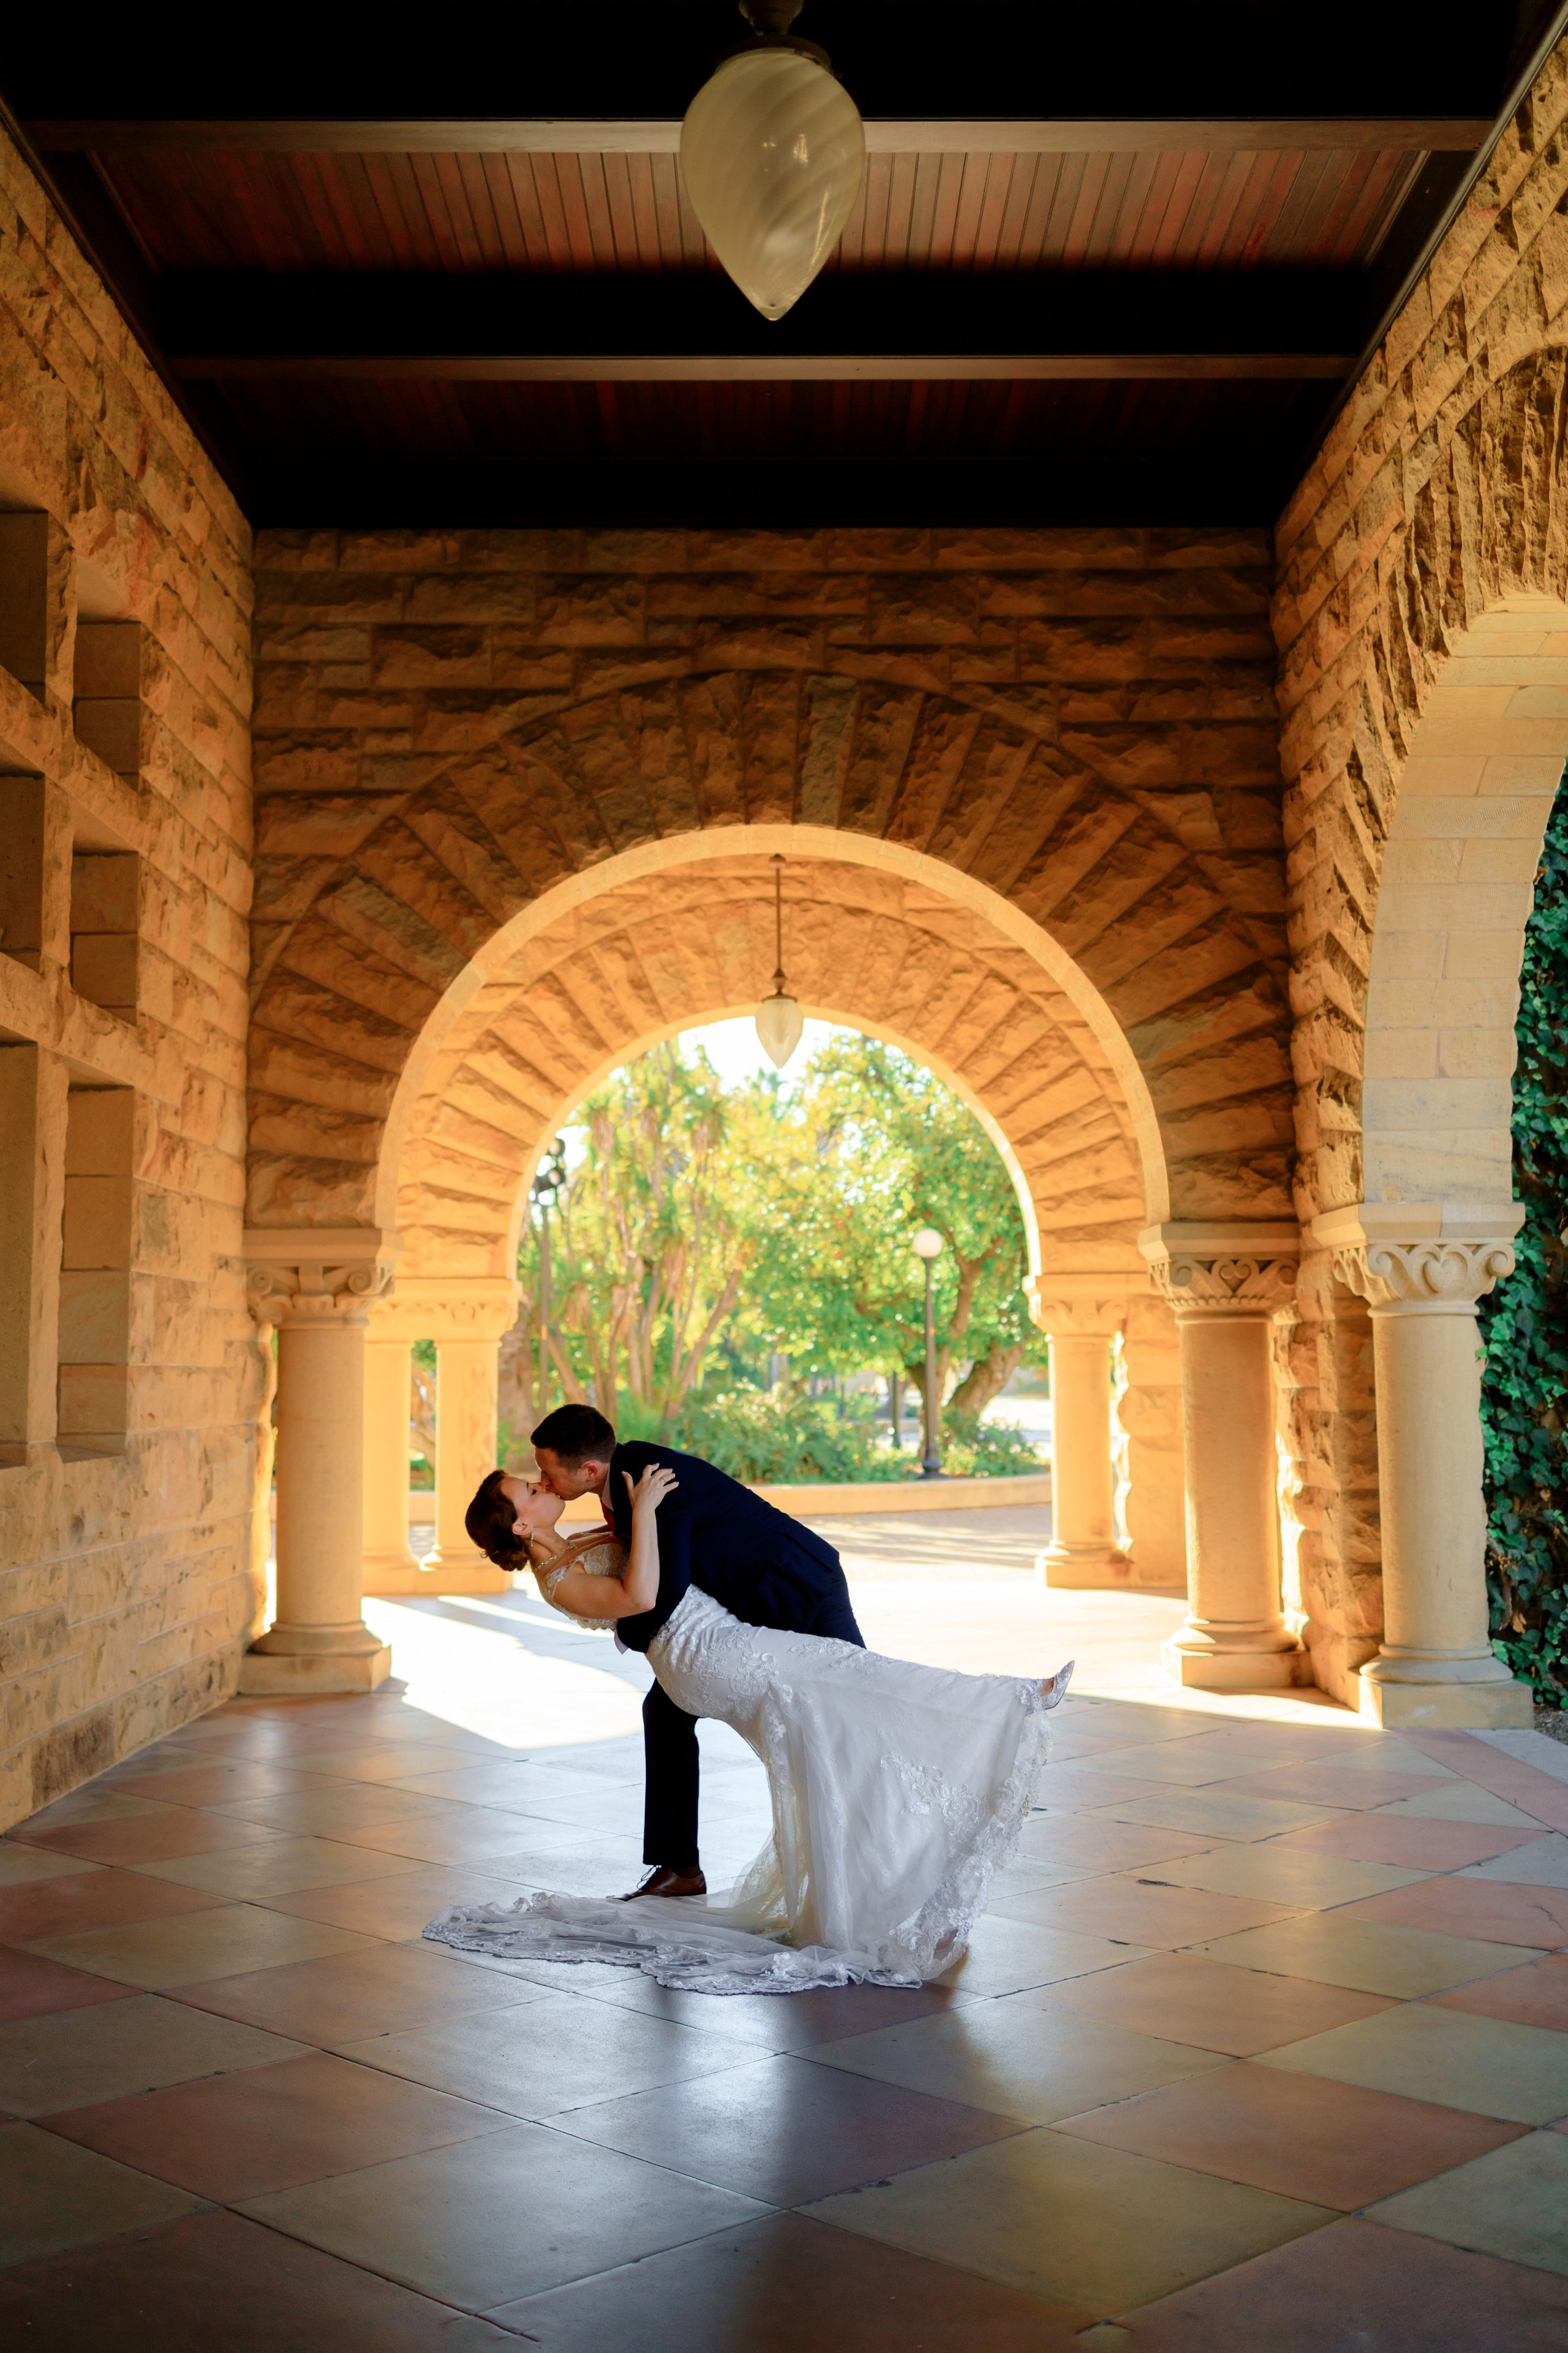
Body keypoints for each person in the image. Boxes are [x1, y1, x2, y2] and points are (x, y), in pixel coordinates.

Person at [439, 1440, 1071, 1995]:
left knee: (826, 1747)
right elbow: (638, 1595)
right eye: (528, 1487)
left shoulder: (567, 1548)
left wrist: (641, 1526)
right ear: (522, 1526)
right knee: (858, 1682)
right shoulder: (557, 1576)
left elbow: (633, 1589)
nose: (539, 1482)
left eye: (539, 1474)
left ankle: (868, 1906)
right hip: (709, 1655)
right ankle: (1009, 1701)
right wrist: (651, 1512)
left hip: (710, 1643)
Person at [466, 1402, 867, 1900]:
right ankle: (680, 1867)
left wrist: (629, 1634)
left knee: (855, 1716)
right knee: (664, 1712)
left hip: (799, 1589)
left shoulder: (653, 1481)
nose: (543, 1481)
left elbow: (662, 1594)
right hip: (739, 1610)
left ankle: (878, 1853)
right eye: (537, 1480)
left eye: (545, 1473)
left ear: (588, 1470)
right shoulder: (619, 1487)